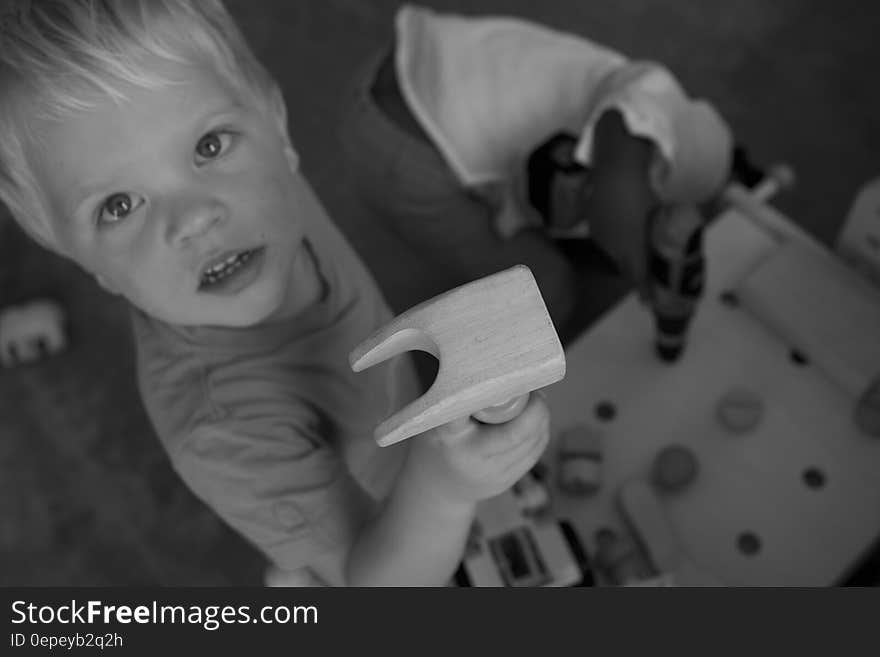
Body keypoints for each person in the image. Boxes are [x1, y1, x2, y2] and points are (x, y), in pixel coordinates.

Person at [0, 0, 551, 586]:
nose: (195, 218)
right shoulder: (222, 427)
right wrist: (443, 488)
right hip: (382, 542)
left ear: (278, 132)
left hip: (391, 435)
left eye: (208, 147)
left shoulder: (267, 193)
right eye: (119, 206)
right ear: (88, 267)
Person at [338, 4, 733, 334]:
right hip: (403, 153)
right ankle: (496, 408)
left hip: (423, 62)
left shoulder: (642, 103)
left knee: (554, 219)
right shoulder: (645, 103)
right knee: (542, 290)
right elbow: (618, 191)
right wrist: (648, 269)